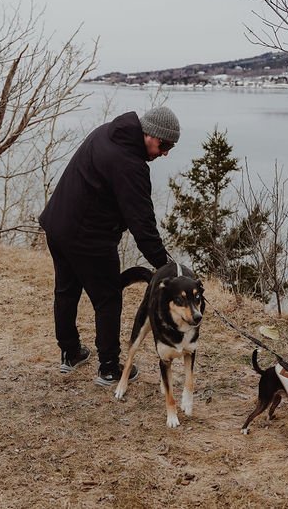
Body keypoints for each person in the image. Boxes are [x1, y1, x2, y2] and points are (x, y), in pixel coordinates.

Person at [39, 106, 180, 386]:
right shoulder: (130, 164)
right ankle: (109, 369)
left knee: (66, 290)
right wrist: (166, 266)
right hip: (88, 237)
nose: (165, 153)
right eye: (164, 145)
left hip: (58, 224)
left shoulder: (106, 132)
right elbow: (142, 223)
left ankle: (70, 353)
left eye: (170, 147)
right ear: (149, 134)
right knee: (108, 298)